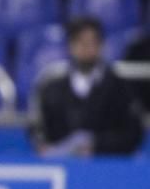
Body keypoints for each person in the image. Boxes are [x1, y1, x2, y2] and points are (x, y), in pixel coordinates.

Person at [28, 17, 144, 157]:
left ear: (101, 45)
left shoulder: (120, 87)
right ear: (71, 46)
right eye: (81, 42)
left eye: (92, 42)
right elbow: (38, 129)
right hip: (63, 167)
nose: (87, 48)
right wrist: (46, 146)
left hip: (106, 167)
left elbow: (133, 134)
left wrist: (97, 145)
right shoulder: (52, 87)